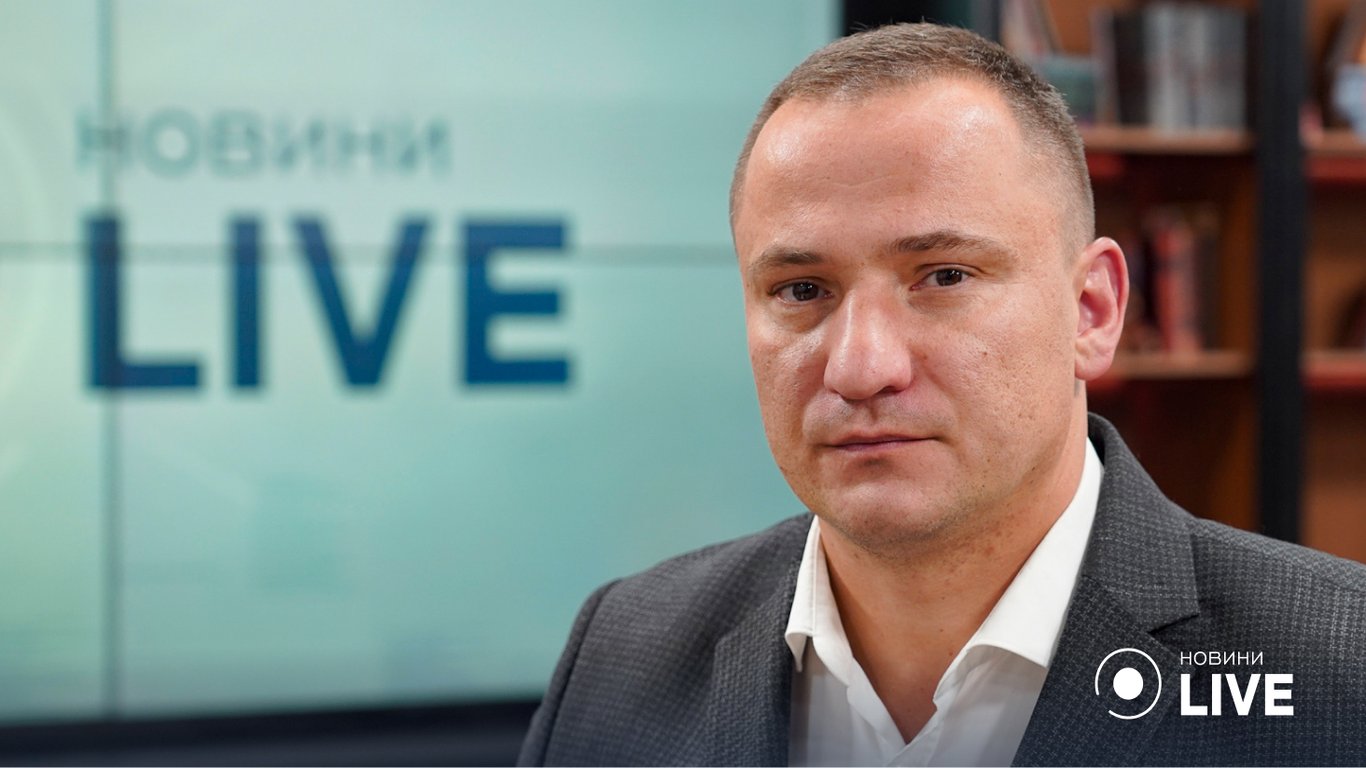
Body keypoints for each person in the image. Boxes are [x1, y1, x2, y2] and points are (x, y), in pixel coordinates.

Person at [518, 23, 1366, 766]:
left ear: (1092, 311)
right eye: (802, 291)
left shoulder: (1338, 677)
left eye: (945, 276)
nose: (861, 368)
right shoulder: (622, 653)